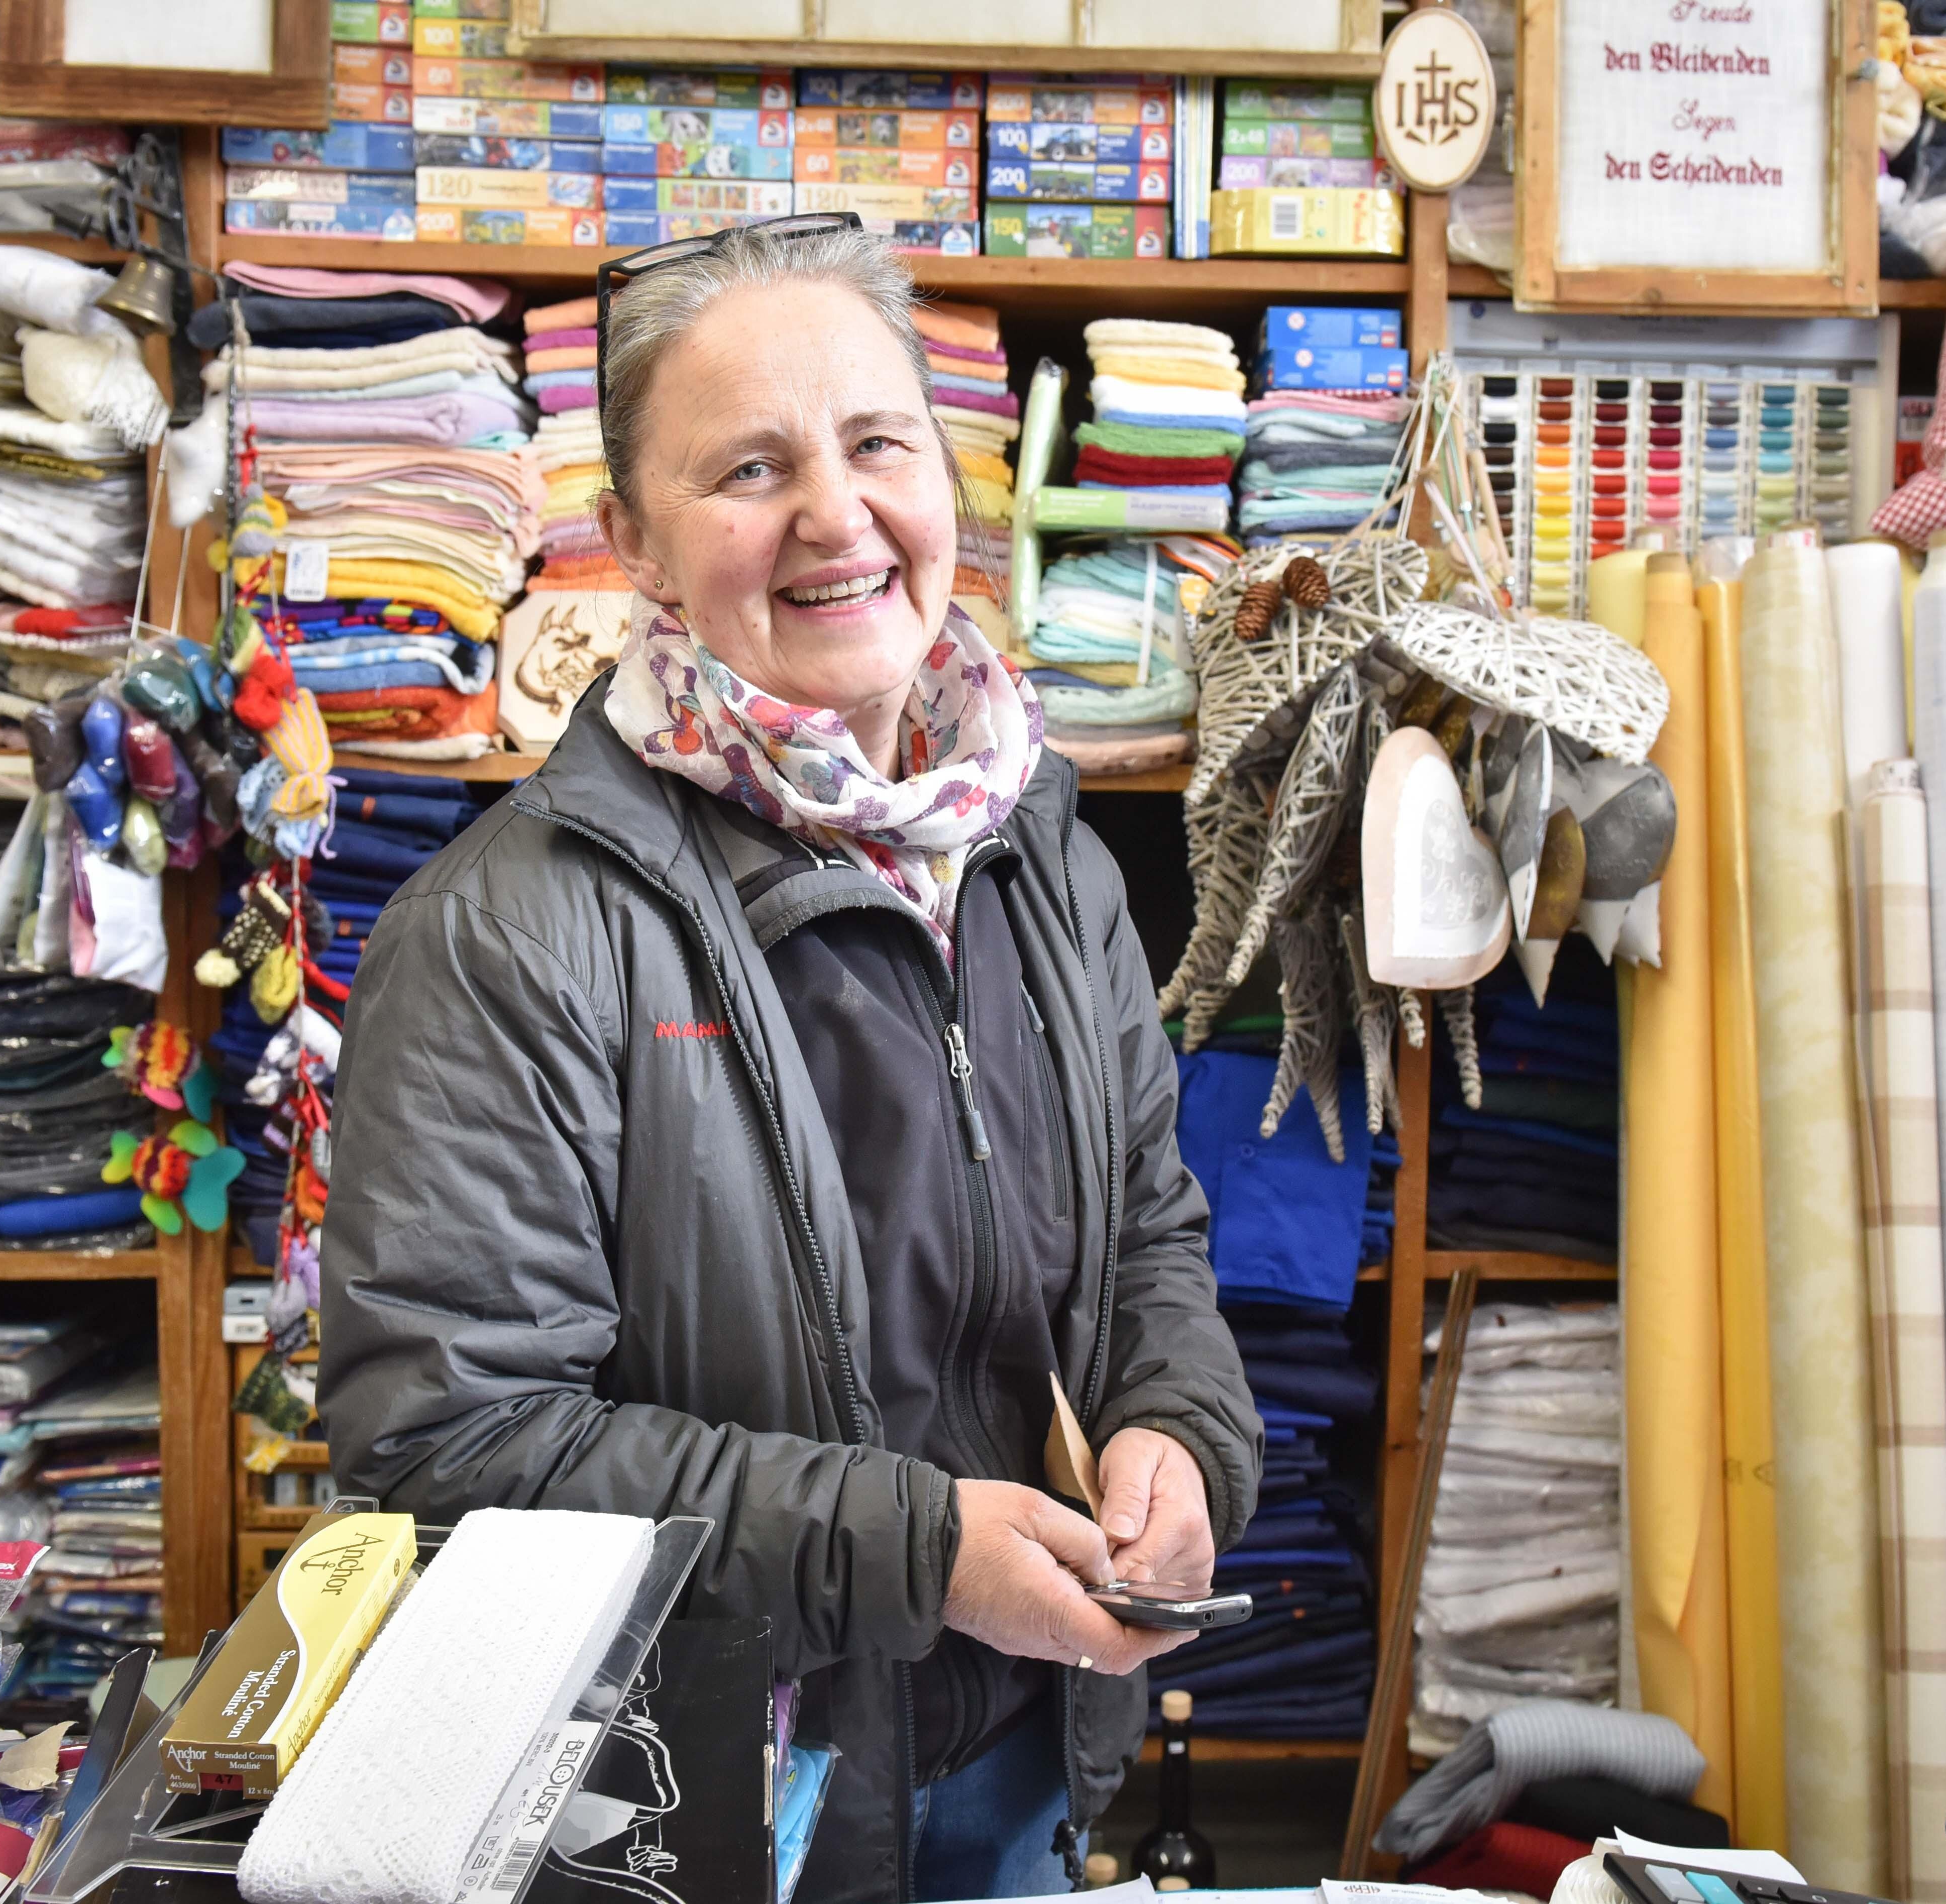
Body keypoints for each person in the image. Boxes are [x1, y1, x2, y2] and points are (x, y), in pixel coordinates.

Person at [316, 215, 1260, 1904]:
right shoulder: (507, 933)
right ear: (636, 544)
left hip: (1016, 1762)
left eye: (879, 443)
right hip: (688, 1812)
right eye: (751, 469)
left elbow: (1148, 1239)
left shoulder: (1038, 854)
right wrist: (919, 1552)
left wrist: (1179, 1431)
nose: (837, 514)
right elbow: (453, 1450)